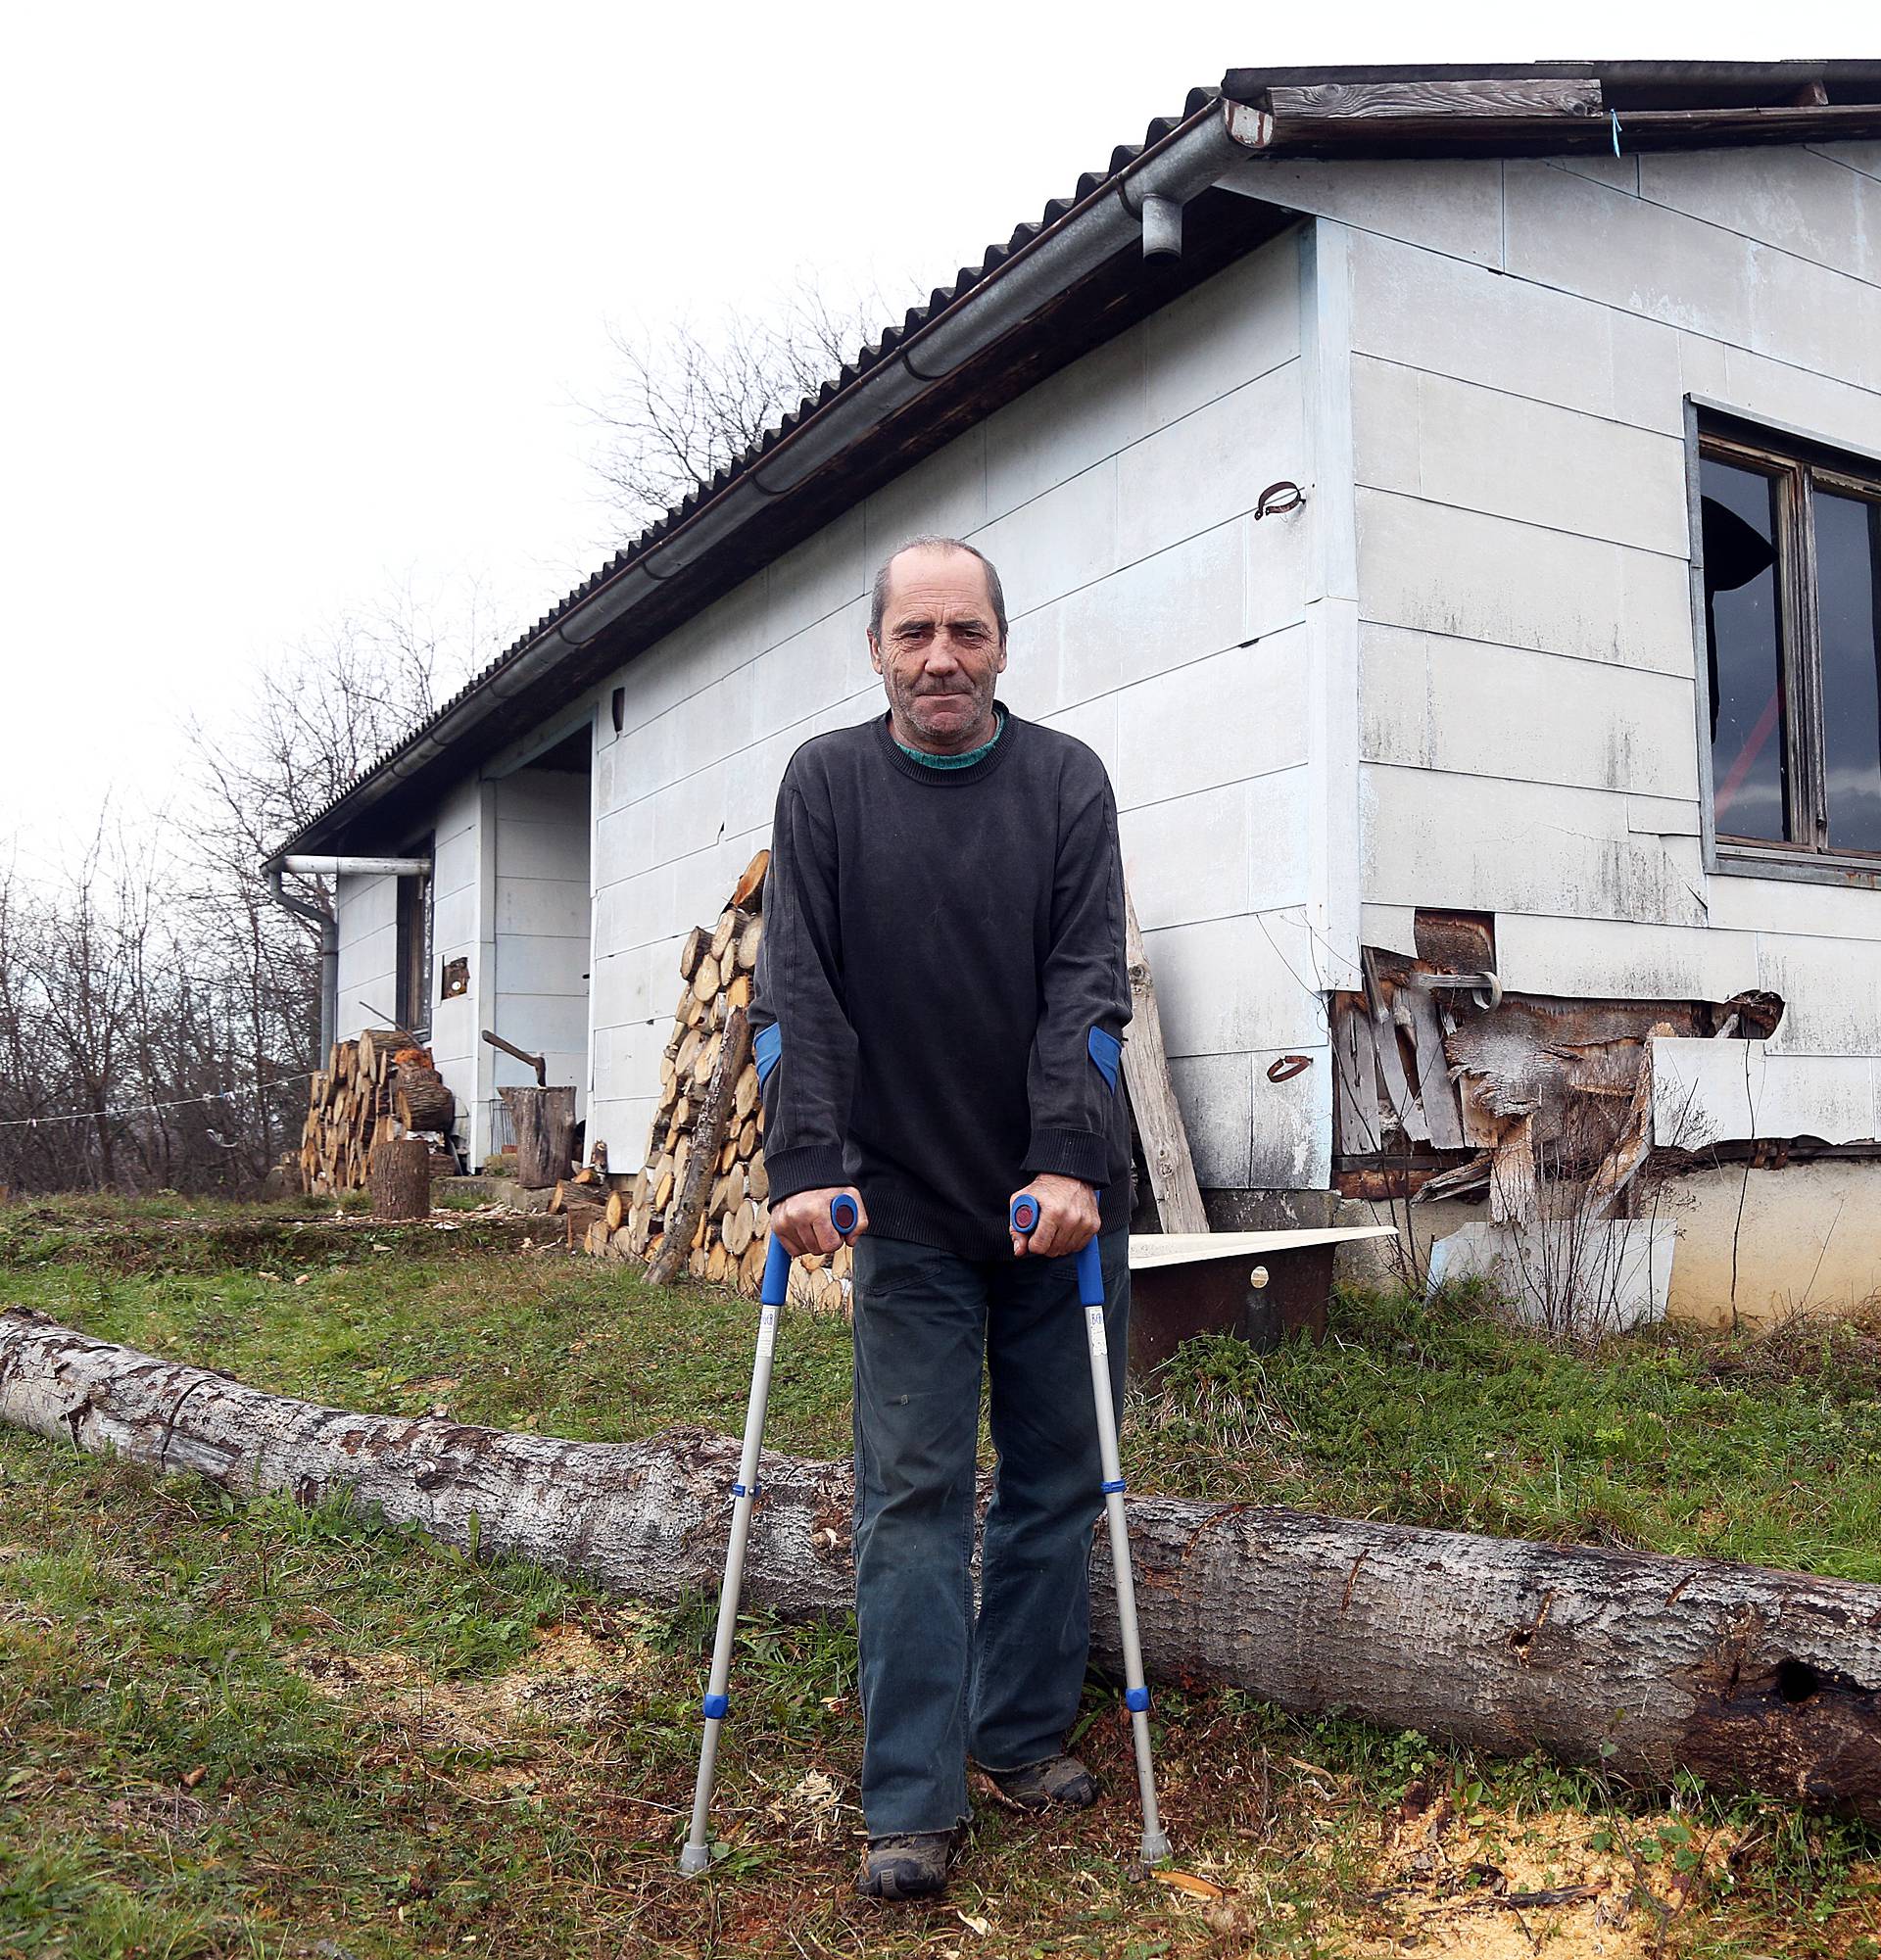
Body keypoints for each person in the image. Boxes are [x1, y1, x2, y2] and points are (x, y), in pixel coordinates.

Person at [749, 536, 1133, 1901]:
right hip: (904, 1200)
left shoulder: (1068, 782)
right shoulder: (829, 786)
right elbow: (796, 988)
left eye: (966, 631)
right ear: (876, 651)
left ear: (1002, 646)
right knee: (911, 1492)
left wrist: (1068, 1160)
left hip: (1060, 1204)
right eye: (915, 633)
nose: (941, 658)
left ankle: (1018, 1735)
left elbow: (1086, 992)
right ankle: (909, 1795)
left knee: (1053, 1478)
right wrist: (804, 1160)